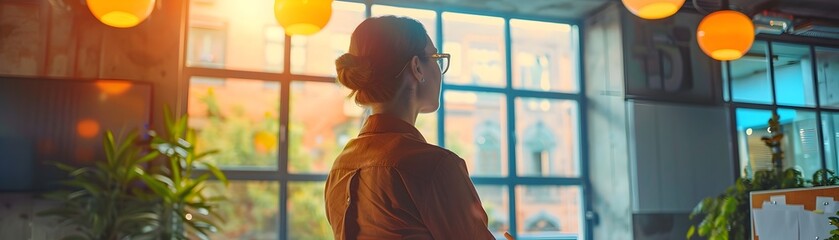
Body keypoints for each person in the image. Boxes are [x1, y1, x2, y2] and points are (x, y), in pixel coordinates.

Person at [324, 15, 499, 240]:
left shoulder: (341, 166)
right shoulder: (435, 167)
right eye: (436, 57)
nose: (439, 69)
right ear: (417, 67)